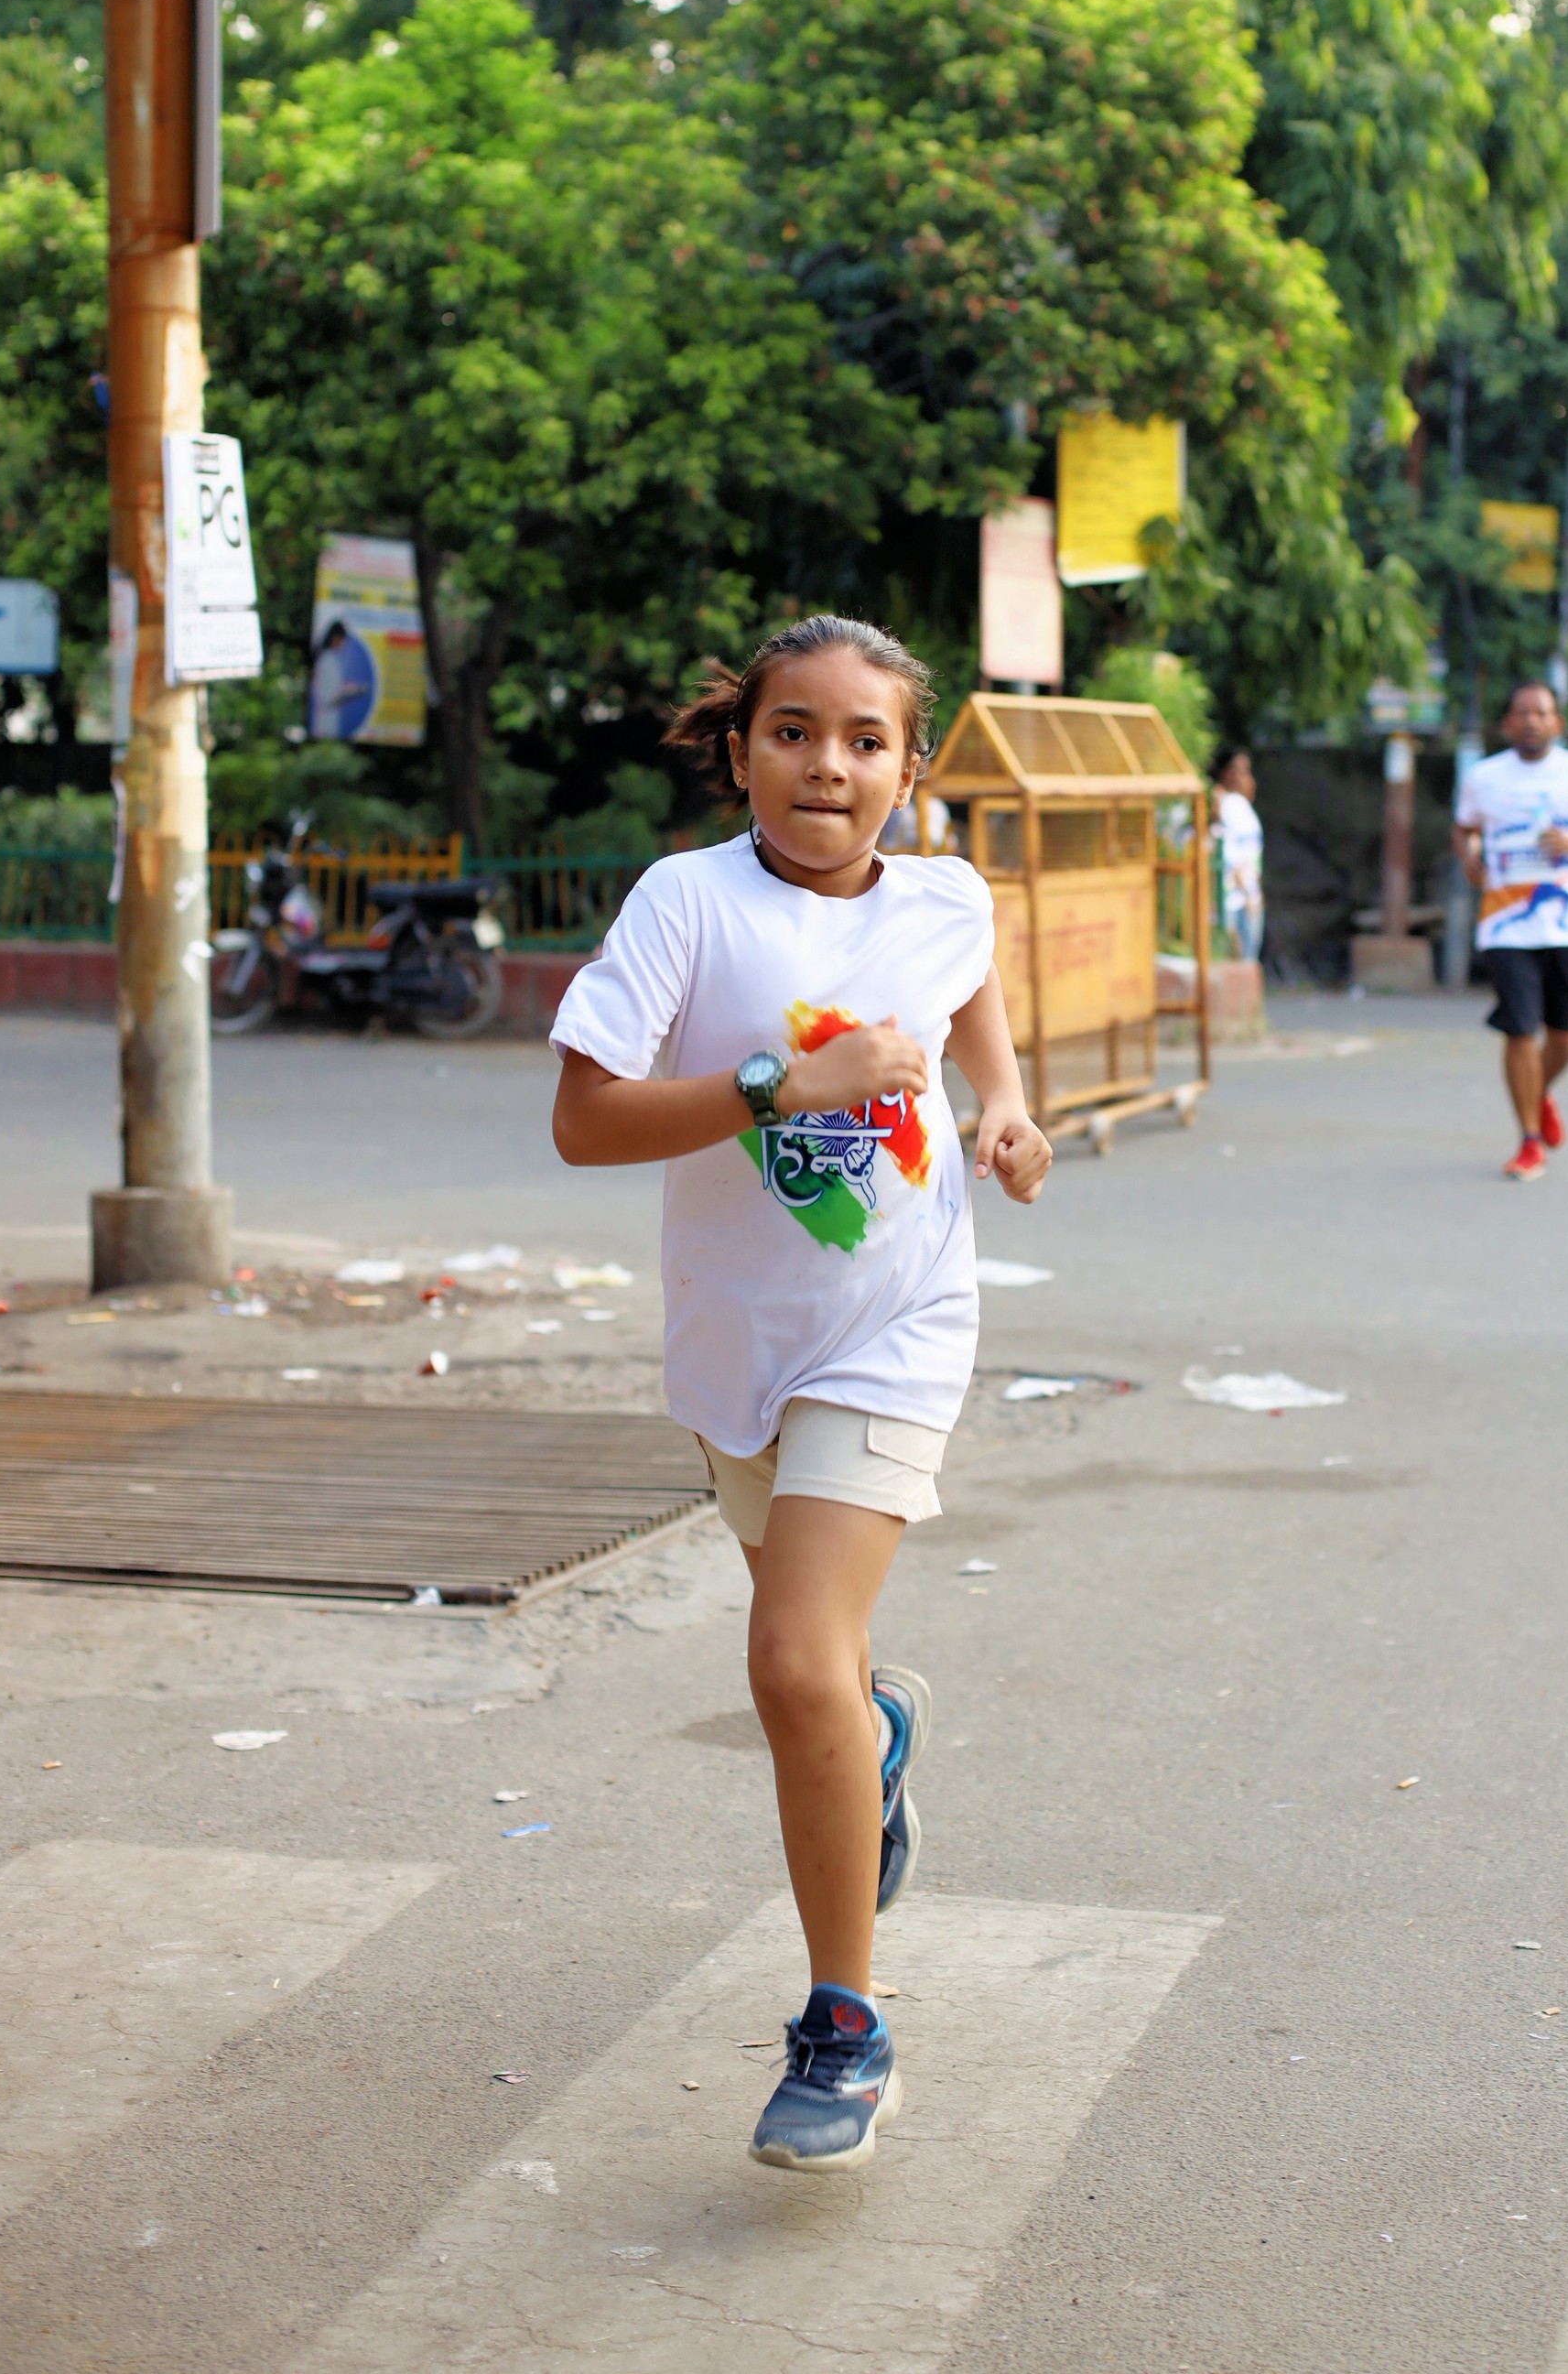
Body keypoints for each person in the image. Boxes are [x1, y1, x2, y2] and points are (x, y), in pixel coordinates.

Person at [549, 614, 1051, 2173]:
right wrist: (781, 1084)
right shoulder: (685, 904)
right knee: (822, 1668)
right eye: (793, 731)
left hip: (897, 1324)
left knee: (785, 1660)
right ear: (741, 748)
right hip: (738, 1345)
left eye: (863, 740)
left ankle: (847, 2023)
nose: (827, 765)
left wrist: (1005, 1106)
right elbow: (585, 1120)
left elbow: (965, 989)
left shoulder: (945, 896)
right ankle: (873, 1731)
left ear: (909, 769)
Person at [1451, 680, 1568, 1183]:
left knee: (1564, 1039)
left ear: (1557, 723)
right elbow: (1463, 828)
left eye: (1541, 713)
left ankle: (1537, 1092)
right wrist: (1470, 859)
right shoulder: (1484, 777)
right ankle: (1529, 1140)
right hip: (1506, 925)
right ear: (1507, 723)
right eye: (1522, 712)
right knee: (1519, 1029)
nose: (1531, 721)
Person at [1213, 744, 1265, 963]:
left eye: (1247, 771)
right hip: (1236, 901)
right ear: (1226, 773)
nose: (1245, 778)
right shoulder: (1228, 805)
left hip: (1247, 898)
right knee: (1239, 964)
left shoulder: (1241, 806)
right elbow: (1229, 855)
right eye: (1239, 771)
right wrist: (1248, 895)